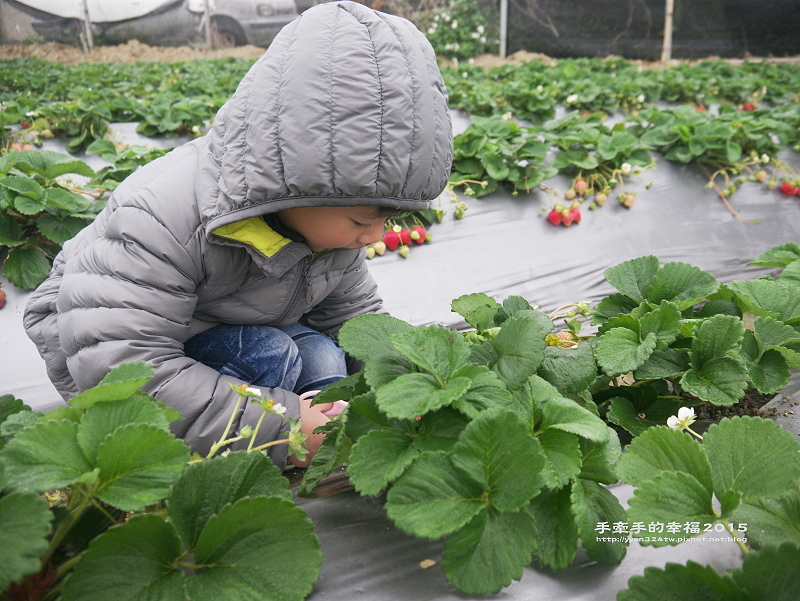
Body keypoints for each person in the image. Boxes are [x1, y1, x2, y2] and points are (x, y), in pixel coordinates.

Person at [23, 1, 453, 469]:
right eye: (360, 221)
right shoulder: (164, 213)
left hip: (218, 325)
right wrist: (283, 430)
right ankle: (239, 450)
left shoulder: (328, 229)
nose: (372, 236)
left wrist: (405, 385)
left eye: (387, 222)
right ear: (301, 184)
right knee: (276, 357)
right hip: (99, 347)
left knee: (325, 359)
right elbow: (119, 361)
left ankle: (324, 427)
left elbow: (357, 317)